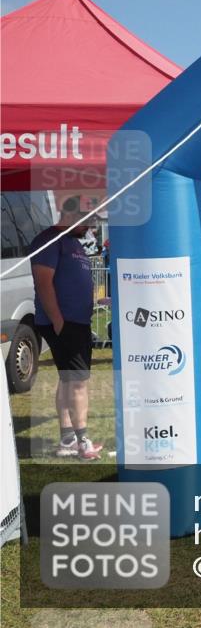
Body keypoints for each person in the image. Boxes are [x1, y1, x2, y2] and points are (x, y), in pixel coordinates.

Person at [29, 197, 103, 460]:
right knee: (78, 382)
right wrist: (59, 321)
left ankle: (68, 439)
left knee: (67, 380)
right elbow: (43, 283)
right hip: (65, 323)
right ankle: (83, 441)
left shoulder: (72, 241)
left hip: (76, 322)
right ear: (71, 214)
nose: (91, 225)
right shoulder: (49, 240)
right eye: (89, 219)